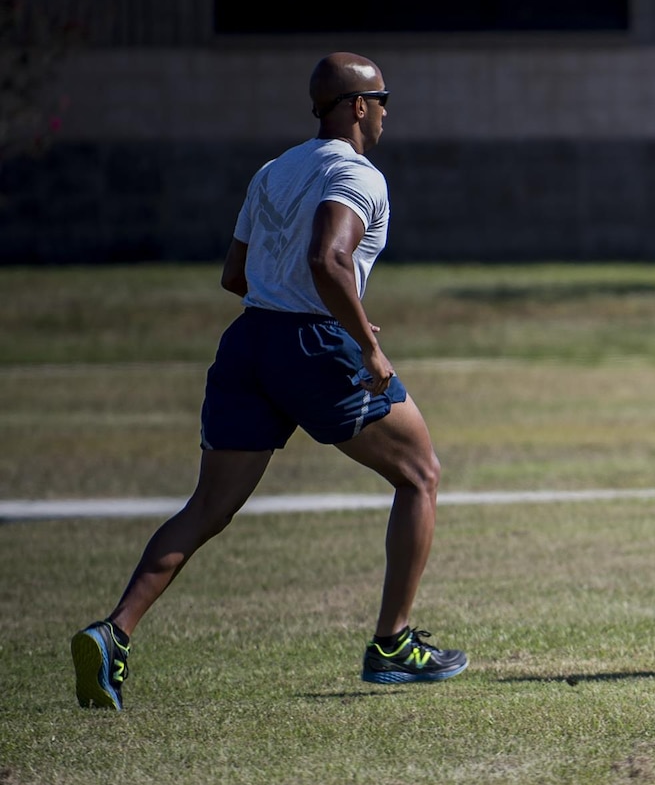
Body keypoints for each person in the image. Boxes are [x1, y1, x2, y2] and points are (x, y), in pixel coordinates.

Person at [71, 53, 466, 710]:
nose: (389, 110)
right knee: (419, 474)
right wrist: (368, 345)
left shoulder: (274, 170)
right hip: (315, 343)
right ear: (359, 107)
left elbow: (235, 275)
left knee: (207, 509)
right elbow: (328, 258)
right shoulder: (357, 174)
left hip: (249, 342)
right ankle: (393, 645)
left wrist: (283, 309)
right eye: (383, 98)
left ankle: (113, 633)